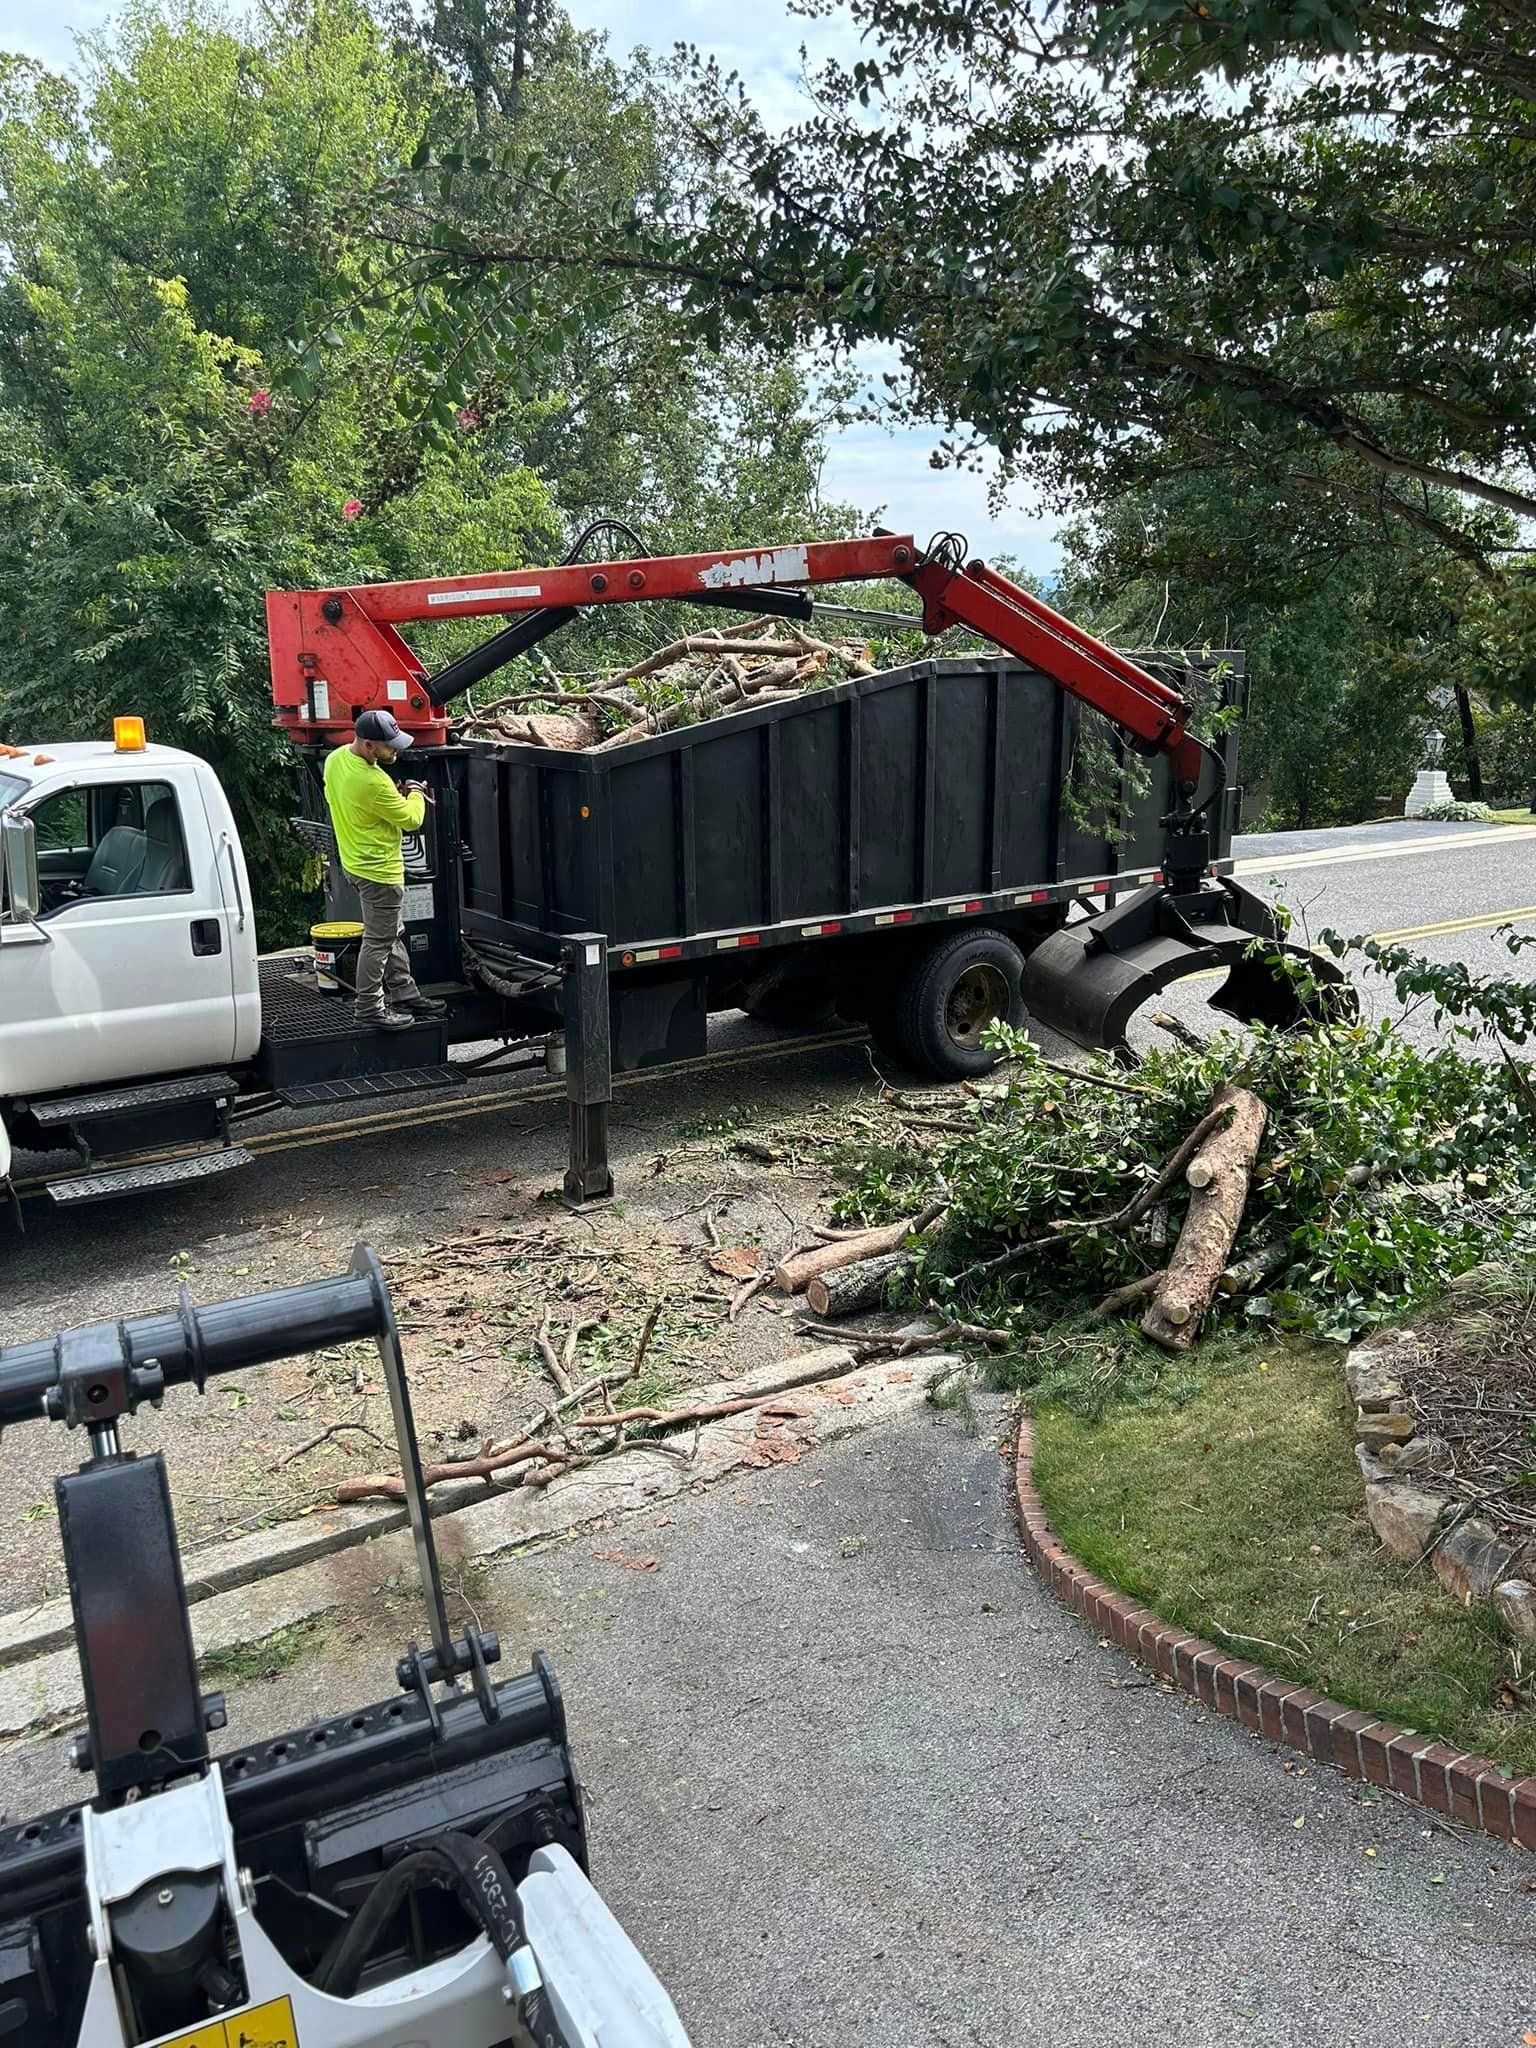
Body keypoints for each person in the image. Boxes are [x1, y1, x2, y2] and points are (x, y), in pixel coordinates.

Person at [322, 710, 447, 1031]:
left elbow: (351, 798)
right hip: (379, 871)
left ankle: (404, 991)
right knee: (378, 941)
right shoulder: (372, 781)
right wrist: (416, 793)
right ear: (367, 745)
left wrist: (391, 798)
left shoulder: (337, 760)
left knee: (391, 931)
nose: (396, 751)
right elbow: (412, 820)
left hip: (354, 862)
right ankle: (369, 1007)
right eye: (389, 746)